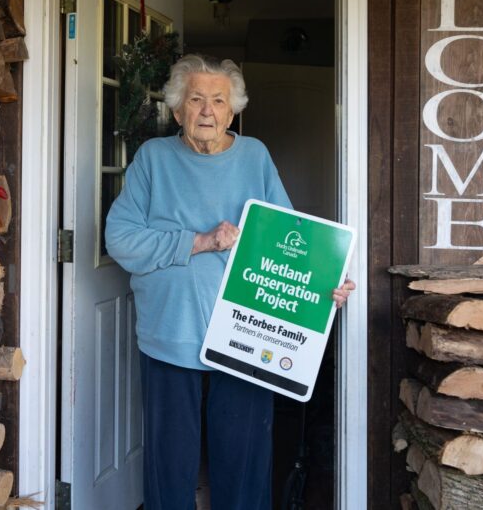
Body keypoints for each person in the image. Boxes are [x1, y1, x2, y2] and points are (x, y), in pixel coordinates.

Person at [105, 54, 355, 510]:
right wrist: (199, 241)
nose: (206, 111)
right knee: (169, 462)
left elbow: (289, 239)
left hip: (246, 333)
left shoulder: (254, 156)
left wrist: (324, 286)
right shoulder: (154, 159)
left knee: (243, 461)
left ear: (233, 109)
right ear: (177, 109)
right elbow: (120, 239)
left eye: (218, 100)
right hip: (169, 332)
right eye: (195, 99)